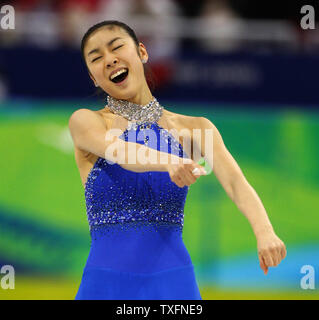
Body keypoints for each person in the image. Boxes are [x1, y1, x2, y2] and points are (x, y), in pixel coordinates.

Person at [68, 20, 286, 300]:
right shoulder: (86, 122)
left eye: (117, 47)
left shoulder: (194, 130)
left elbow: (234, 182)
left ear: (142, 52)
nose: (109, 60)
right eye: (96, 58)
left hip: (172, 282)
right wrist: (169, 161)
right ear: (93, 78)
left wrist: (265, 232)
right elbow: (119, 152)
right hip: (105, 284)